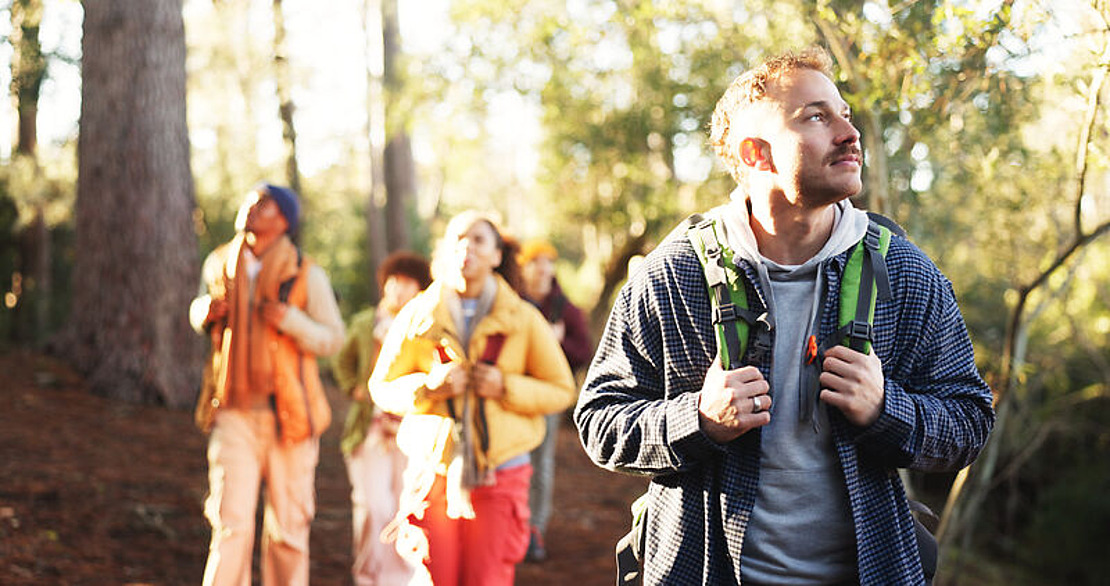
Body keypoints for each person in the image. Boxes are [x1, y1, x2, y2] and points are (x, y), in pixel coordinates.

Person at [574, 47, 995, 585]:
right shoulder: (672, 274)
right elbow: (600, 422)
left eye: (844, 113)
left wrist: (888, 409)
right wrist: (697, 419)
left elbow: (969, 422)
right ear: (756, 154)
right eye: (817, 116)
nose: (850, 132)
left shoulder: (905, 272)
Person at [368, 211, 577, 586]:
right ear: (446, 251)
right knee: (436, 577)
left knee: (489, 578)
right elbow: (381, 386)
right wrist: (428, 388)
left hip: (503, 471)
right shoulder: (418, 315)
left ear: (498, 255)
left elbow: (562, 389)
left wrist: (506, 387)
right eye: (458, 238)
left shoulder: (524, 319)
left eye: (479, 239)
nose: (467, 247)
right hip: (433, 470)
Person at [189, 183, 346, 586]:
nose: (252, 206)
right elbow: (198, 307)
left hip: (290, 419)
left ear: (285, 220)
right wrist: (204, 312)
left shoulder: (308, 274)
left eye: (265, 202)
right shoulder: (219, 263)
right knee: (230, 525)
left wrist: (291, 322)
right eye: (251, 199)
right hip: (233, 414)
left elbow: (333, 338)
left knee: (289, 530)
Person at [333, 251, 432, 586]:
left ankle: (401, 578)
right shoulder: (365, 324)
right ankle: (368, 575)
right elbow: (341, 362)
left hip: (412, 430)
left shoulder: (427, 327)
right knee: (373, 505)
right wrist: (357, 389)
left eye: (408, 282)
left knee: (405, 506)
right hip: (369, 430)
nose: (399, 289)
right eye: (394, 281)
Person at [517, 239, 593, 562]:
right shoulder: (512, 302)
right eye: (535, 262)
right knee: (511, 462)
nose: (542, 268)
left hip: (546, 398)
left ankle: (535, 529)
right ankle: (512, 525)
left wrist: (558, 344)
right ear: (524, 267)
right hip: (513, 395)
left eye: (547, 261)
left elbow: (586, 352)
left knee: (540, 464)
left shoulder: (567, 309)